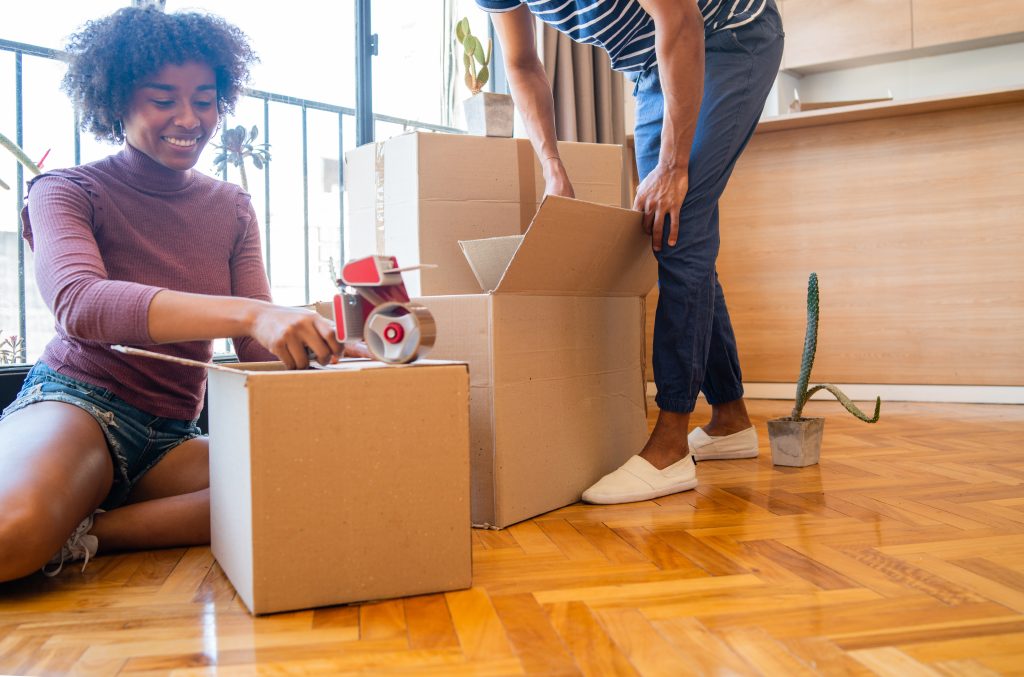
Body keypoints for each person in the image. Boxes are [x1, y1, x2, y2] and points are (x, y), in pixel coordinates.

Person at [0, 6, 364, 582]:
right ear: (116, 100)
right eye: (163, 99)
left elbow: (255, 351)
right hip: (79, 404)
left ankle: (83, 533)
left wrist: (335, 348)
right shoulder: (65, 189)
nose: (190, 118)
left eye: (206, 98)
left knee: (316, 481)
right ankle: (56, 517)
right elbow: (81, 303)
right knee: (9, 537)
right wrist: (254, 313)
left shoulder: (231, 207)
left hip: (173, 435)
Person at [479, 0, 784, 503]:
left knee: (677, 228)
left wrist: (674, 165)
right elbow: (521, 63)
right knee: (667, 231)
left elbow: (681, 20)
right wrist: (552, 165)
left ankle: (670, 446)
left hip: (729, 37)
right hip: (649, 67)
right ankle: (730, 420)